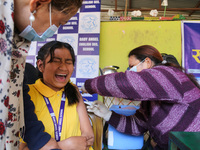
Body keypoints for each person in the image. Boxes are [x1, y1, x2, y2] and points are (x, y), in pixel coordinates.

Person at [81, 45, 200, 150]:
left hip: (191, 144)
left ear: (147, 62)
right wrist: (108, 115)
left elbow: (126, 83)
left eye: (132, 66)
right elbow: (137, 126)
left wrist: (89, 85)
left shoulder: (167, 74)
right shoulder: (150, 101)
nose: (130, 72)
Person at [0, 0, 83, 149]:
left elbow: (16, 94)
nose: (63, 67)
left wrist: (46, 143)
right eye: (59, 23)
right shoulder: (34, 90)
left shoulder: (15, 46)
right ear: (37, 4)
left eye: (69, 62)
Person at [20, 41, 94, 150]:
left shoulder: (73, 90)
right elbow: (20, 148)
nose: (64, 68)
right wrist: (64, 146)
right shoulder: (27, 95)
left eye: (68, 62)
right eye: (56, 61)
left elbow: (89, 137)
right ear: (41, 65)